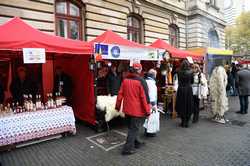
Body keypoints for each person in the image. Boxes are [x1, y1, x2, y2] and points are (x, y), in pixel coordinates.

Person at [115, 63, 150, 155]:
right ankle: (127, 149)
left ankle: (137, 142)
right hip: (137, 111)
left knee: (132, 128)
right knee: (133, 129)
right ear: (139, 70)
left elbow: (120, 94)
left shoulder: (125, 80)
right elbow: (145, 98)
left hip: (127, 109)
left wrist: (117, 106)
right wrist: (147, 111)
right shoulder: (141, 81)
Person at [176, 60, 194, 128]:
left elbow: (178, 80)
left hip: (181, 89)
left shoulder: (178, 71)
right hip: (188, 90)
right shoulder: (191, 71)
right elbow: (192, 81)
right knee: (188, 105)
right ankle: (187, 122)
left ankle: (183, 121)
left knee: (181, 105)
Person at [144, 69, 158, 136]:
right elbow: (152, 94)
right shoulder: (151, 83)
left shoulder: (145, 81)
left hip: (146, 102)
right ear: (154, 75)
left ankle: (147, 130)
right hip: (150, 102)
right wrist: (154, 105)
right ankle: (150, 132)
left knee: (147, 118)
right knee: (151, 117)